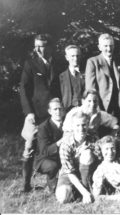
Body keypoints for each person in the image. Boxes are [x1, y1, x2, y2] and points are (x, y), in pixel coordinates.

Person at [19, 34, 61, 192]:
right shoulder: (30, 64)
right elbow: (23, 89)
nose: (37, 49)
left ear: (49, 46)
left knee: (53, 145)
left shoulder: (57, 63)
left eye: (41, 45)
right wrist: (28, 112)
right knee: (29, 146)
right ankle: (26, 185)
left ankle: (53, 183)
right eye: (36, 45)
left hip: (53, 113)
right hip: (35, 114)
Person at [55, 111, 96, 204]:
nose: (81, 128)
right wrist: (85, 193)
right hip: (70, 174)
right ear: (72, 126)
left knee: (87, 153)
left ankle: (87, 188)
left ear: (88, 124)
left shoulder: (93, 138)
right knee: (63, 197)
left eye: (84, 125)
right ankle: (81, 192)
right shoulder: (65, 144)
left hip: (88, 173)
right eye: (77, 125)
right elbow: (69, 172)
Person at [85, 33, 120, 123]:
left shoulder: (117, 61)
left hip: (117, 106)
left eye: (111, 46)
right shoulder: (93, 62)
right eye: (106, 46)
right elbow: (91, 88)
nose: (109, 49)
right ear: (100, 47)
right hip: (102, 105)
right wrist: (97, 107)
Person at [33, 98, 64, 193]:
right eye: (55, 109)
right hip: (45, 159)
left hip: (62, 156)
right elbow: (45, 151)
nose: (58, 111)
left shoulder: (68, 123)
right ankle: (51, 185)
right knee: (52, 166)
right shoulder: (43, 127)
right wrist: (61, 142)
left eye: (60, 109)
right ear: (50, 111)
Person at [59, 45, 84, 112]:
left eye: (77, 56)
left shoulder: (86, 74)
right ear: (67, 57)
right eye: (72, 56)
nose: (75, 59)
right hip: (67, 111)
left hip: (84, 109)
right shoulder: (61, 76)